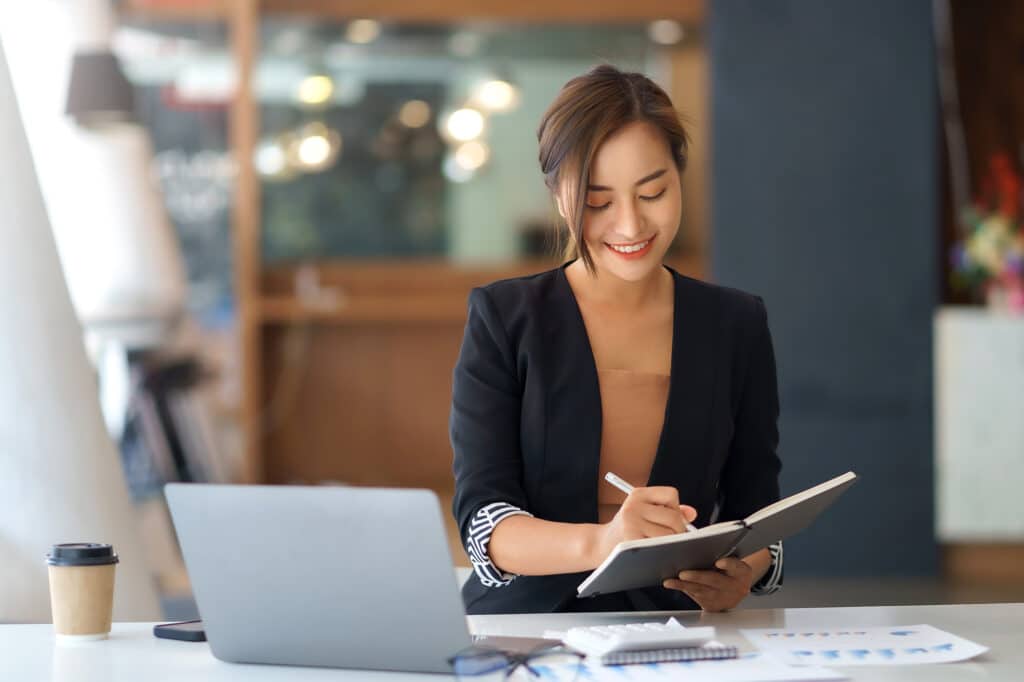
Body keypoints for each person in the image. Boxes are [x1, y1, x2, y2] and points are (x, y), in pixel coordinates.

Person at [450, 64, 783, 615]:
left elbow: (758, 513)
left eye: (652, 192)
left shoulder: (736, 323)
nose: (630, 226)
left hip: (676, 624)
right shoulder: (505, 317)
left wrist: (742, 573)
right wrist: (606, 542)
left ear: (680, 177)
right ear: (560, 197)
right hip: (525, 630)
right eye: (599, 202)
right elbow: (486, 525)